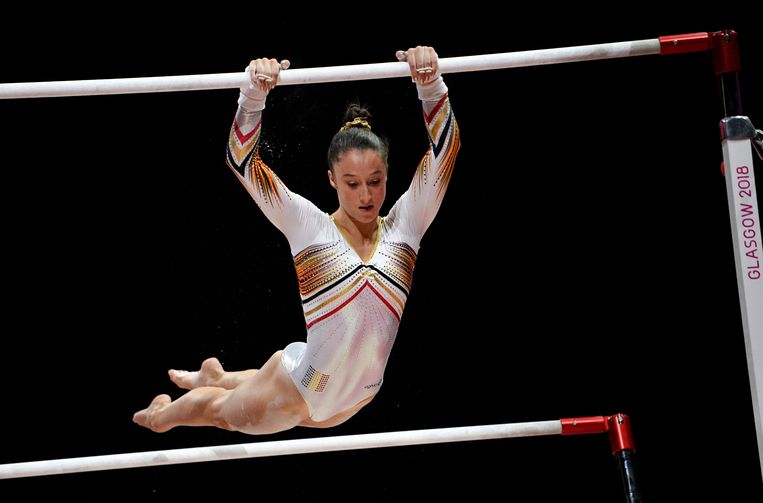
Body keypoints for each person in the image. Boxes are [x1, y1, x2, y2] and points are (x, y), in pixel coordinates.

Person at [133, 45, 460, 435]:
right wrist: (253, 95)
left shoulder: (406, 227)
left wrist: (430, 85)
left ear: (388, 176)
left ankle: (218, 376)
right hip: (298, 393)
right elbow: (241, 161)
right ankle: (162, 414)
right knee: (220, 414)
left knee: (261, 389)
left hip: (352, 399)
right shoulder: (311, 228)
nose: (366, 196)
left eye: (375, 182)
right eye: (352, 184)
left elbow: (446, 151)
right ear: (331, 180)